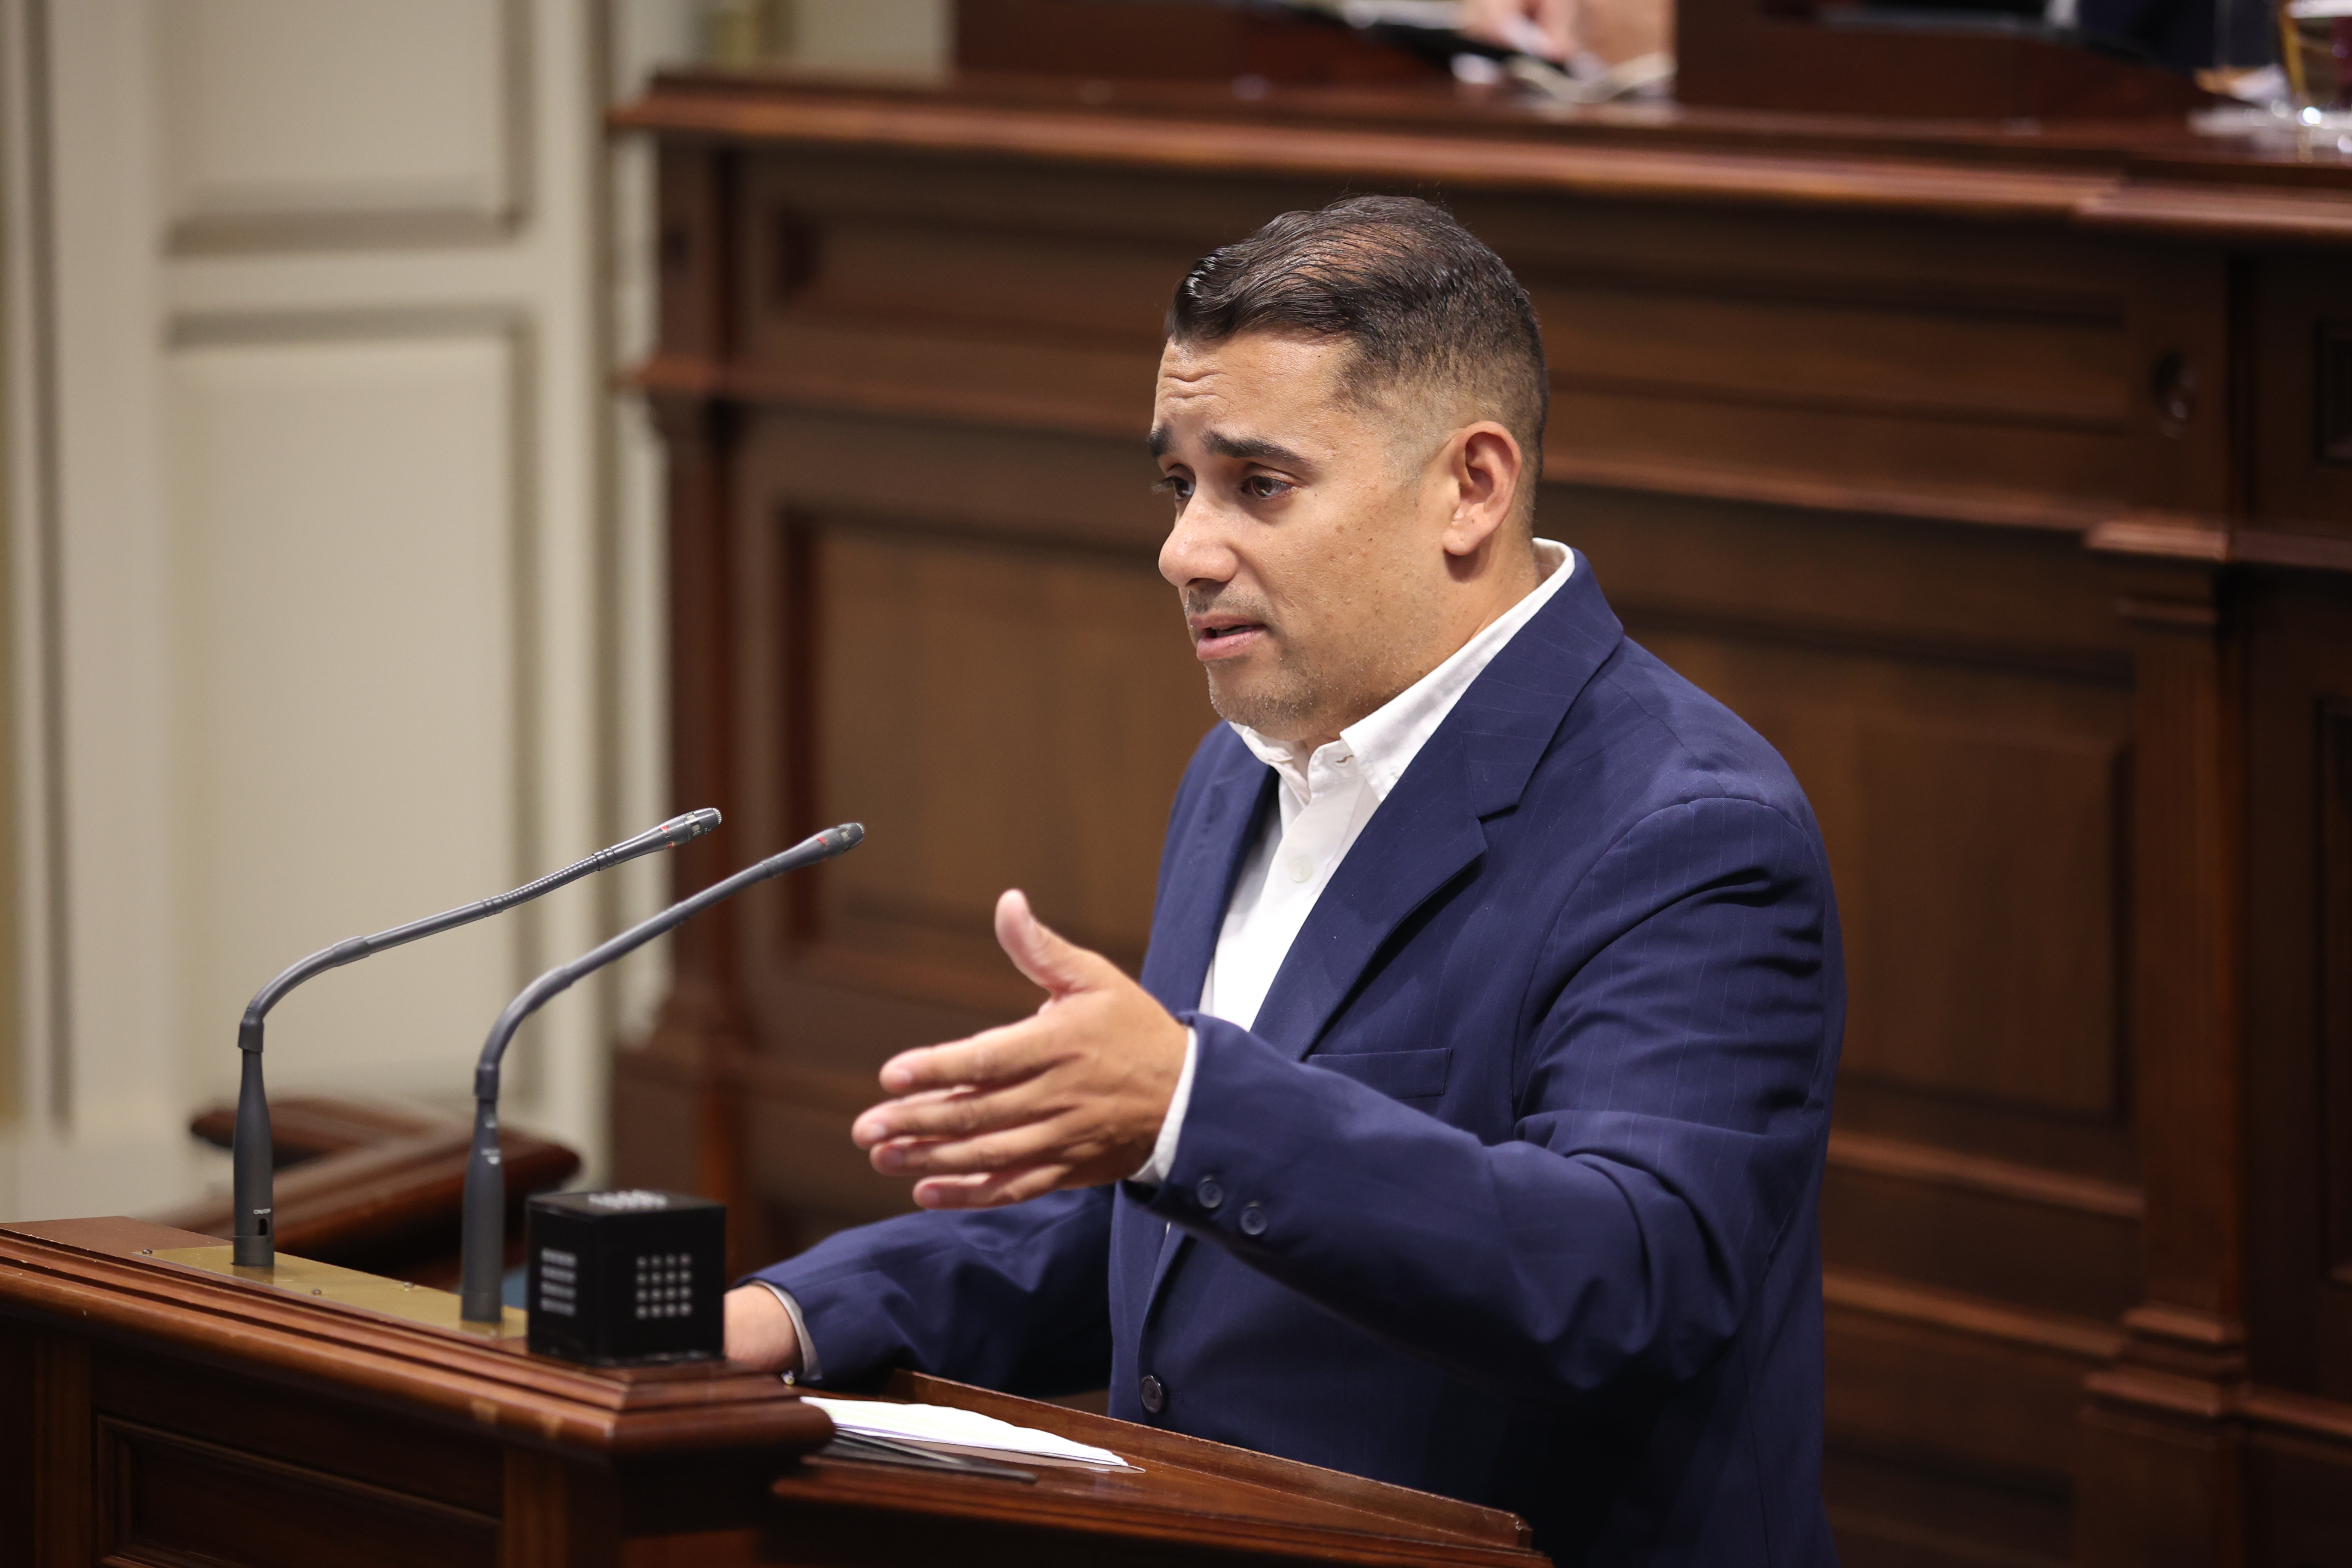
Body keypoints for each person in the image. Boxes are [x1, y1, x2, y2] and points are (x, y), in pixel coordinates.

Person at [726, 195, 1844, 1566]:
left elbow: (1625, 1275)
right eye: (1177, 483)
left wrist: (1191, 1106)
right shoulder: (1244, 767)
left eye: (1259, 484)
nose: (1184, 549)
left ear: (1469, 488)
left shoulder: (1689, 832)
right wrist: (793, 1320)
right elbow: (1174, 1217)